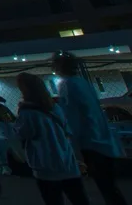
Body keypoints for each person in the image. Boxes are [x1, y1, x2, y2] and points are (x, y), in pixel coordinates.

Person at [52, 52, 127, 205]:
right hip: (102, 138)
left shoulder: (66, 85)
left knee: (104, 184)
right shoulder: (82, 82)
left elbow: (72, 117)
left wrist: (73, 144)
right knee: (109, 184)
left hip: (89, 141)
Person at [15, 72, 89, 205]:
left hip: (44, 163)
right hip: (66, 161)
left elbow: (24, 133)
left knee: (53, 200)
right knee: (79, 198)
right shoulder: (54, 108)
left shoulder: (27, 113)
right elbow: (67, 130)